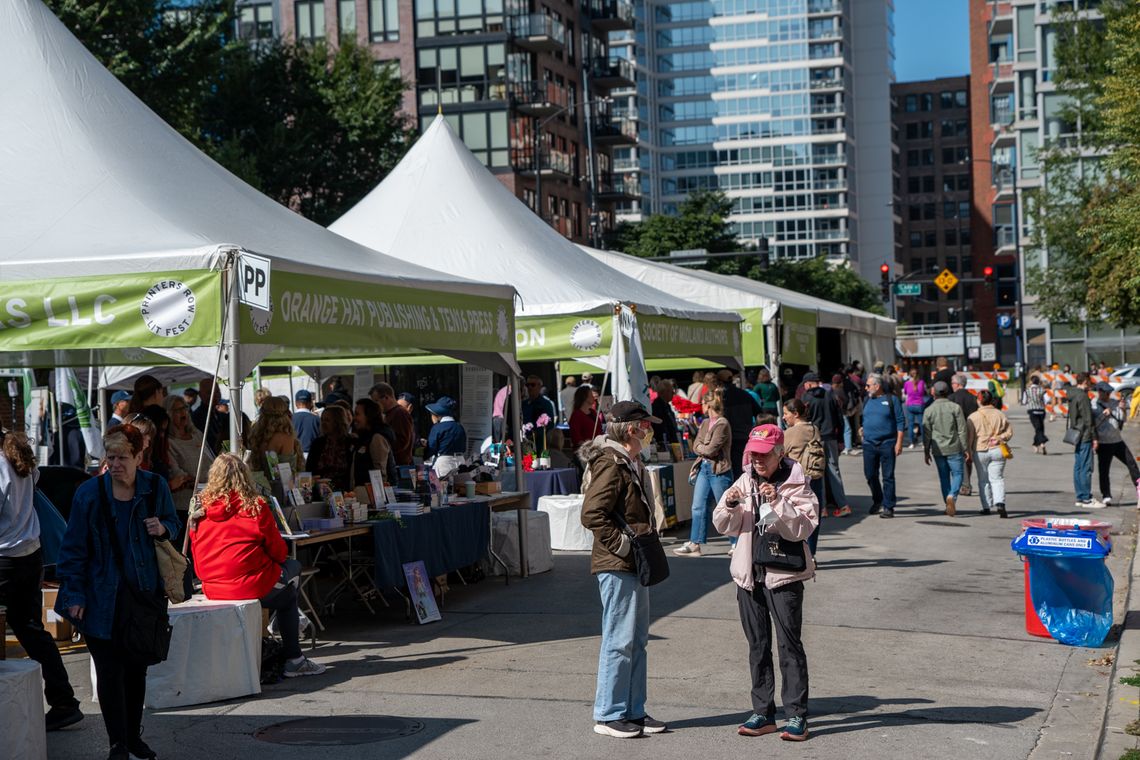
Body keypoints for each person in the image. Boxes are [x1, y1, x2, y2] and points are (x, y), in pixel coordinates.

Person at [55, 424, 181, 760]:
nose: (115, 464)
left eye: (123, 457)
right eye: (110, 457)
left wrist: (164, 526)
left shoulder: (155, 487)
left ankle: (132, 736)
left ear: (140, 456)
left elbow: (175, 522)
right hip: (101, 597)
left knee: (136, 669)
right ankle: (118, 744)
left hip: (142, 596)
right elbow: (73, 550)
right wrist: (75, 596)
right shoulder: (89, 493)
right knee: (110, 673)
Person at [712, 424, 817, 742]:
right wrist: (729, 504)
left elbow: (803, 529)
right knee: (757, 647)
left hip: (784, 576)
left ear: (779, 453)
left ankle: (796, 715)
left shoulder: (796, 483)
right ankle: (763, 711)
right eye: (753, 454)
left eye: (763, 454)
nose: (757, 460)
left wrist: (778, 503)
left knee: (789, 647)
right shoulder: (745, 480)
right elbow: (722, 525)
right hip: (748, 576)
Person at [190, 454, 325, 678]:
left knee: (286, 582)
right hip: (249, 585)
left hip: (212, 586)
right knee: (291, 581)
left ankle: (280, 632)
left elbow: (197, 553)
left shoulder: (200, 511)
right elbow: (279, 552)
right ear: (245, 476)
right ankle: (294, 657)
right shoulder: (255, 507)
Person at [578, 401, 667, 739]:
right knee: (620, 639)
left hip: (631, 561)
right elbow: (592, 514)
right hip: (618, 563)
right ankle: (609, 713)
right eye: (646, 425)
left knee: (636, 639)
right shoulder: (611, 463)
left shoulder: (627, 461)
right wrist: (622, 545)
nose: (649, 430)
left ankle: (633, 710)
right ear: (632, 429)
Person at [0, 430, 83, 732]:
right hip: (28, 554)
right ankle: (64, 700)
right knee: (31, 628)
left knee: (29, 627)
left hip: (6, 557)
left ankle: (63, 701)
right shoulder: (15, 454)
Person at [675, 390, 733, 556]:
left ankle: (736, 541)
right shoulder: (706, 422)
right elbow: (697, 446)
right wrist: (702, 449)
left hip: (719, 469)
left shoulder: (722, 424)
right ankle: (695, 543)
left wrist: (701, 449)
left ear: (707, 405)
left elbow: (711, 449)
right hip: (704, 467)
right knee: (698, 506)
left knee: (726, 507)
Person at [801, 372, 851, 516]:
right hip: (831, 438)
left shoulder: (805, 397)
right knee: (834, 470)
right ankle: (843, 506)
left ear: (809, 384)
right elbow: (839, 418)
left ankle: (821, 508)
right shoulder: (830, 395)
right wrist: (841, 439)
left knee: (817, 472)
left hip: (814, 439)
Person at [782, 398, 828, 551]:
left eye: (786, 414)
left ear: (795, 414)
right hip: (815, 478)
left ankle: (799, 553)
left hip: (796, 481)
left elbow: (779, 454)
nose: (783, 417)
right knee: (812, 517)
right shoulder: (814, 429)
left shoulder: (791, 432)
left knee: (794, 518)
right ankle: (811, 553)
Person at [860, 374, 905, 518]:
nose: (866, 388)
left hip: (887, 444)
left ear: (877, 386)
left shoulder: (892, 400)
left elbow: (900, 422)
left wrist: (899, 443)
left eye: (868, 385)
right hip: (868, 444)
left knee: (888, 476)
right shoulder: (867, 399)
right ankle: (877, 499)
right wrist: (862, 429)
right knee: (870, 475)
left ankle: (888, 506)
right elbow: (866, 418)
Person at [922, 381, 968, 517]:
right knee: (958, 474)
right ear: (948, 392)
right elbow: (962, 430)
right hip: (954, 447)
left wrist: (926, 451)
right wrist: (965, 448)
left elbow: (926, 434)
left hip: (938, 449)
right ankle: (952, 497)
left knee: (944, 477)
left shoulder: (928, 410)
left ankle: (947, 503)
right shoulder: (955, 408)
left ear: (933, 393)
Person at [1091, 381, 1140, 506]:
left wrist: (1123, 410)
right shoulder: (1093, 405)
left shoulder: (1114, 403)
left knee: (1132, 464)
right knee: (1104, 470)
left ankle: (1139, 490)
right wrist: (1103, 415)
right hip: (1104, 442)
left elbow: (1122, 420)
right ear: (1100, 392)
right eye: (1105, 393)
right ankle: (1106, 495)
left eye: (1109, 393)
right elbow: (1092, 425)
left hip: (1118, 440)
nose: (1107, 395)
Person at [162, 395, 213, 513]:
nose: (183, 412)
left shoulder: (197, 435)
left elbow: (211, 458)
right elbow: (178, 475)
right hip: (185, 506)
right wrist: (201, 485)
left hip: (208, 500)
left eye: (184, 408)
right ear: (169, 414)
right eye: (177, 410)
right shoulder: (169, 442)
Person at [968, 390, 1014, 517]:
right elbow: (1009, 433)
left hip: (980, 450)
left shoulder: (973, 417)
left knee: (983, 480)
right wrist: (999, 438)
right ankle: (1000, 503)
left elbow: (970, 437)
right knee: (997, 478)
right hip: (998, 449)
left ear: (978, 401)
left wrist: (968, 452)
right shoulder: (1000, 414)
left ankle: (986, 506)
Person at [247, 397, 304, 485]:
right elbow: (288, 473)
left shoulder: (256, 436)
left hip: (258, 486)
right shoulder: (285, 437)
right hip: (280, 491)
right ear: (285, 413)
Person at [1067, 373, 1101, 509]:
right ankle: (1086, 498)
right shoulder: (1083, 396)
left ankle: (1080, 496)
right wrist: (1095, 437)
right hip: (1085, 434)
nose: (1091, 385)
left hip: (1076, 433)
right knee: (1086, 467)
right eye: (1090, 382)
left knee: (1078, 466)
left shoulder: (1072, 394)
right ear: (1085, 381)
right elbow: (1088, 420)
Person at [718, 370, 761, 479]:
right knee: (748, 467)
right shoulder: (745, 394)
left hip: (732, 438)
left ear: (719, 382)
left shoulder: (723, 398)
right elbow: (759, 412)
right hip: (746, 435)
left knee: (738, 470)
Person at [305, 405, 355, 491]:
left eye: (327, 420)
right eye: (322, 420)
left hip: (345, 491)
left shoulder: (351, 442)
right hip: (320, 490)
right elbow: (309, 469)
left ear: (338, 422)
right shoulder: (318, 443)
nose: (323, 423)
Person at [353, 398, 398, 486]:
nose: (354, 418)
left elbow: (380, 474)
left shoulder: (377, 438)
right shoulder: (364, 437)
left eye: (357, 414)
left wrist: (378, 496)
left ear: (369, 416)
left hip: (374, 495)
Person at [369, 382, 415, 466]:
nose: (375, 405)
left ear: (386, 397)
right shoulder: (390, 414)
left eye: (376, 401)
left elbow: (402, 442)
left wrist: (383, 448)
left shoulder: (400, 413)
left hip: (399, 467)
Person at [949, 373, 980, 496]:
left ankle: (965, 485)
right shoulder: (973, 398)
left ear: (957, 384)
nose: (951, 385)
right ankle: (966, 483)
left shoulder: (951, 398)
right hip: (971, 429)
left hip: (956, 431)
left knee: (959, 458)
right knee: (968, 458)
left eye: (952, 383)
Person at [424, 396, 467, 478]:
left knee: (444, 487)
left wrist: (423, 455)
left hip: (444, 462)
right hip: (461, 461)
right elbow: (463, 447)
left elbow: (431, 448)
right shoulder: (459, 427)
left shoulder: (437, 428)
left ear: (437, 414)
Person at [49, 403, 87, 468]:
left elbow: (51, 456)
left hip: (59, 471)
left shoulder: (55, 435)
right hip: (77, 472)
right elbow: (84, 454)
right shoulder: (79, 434)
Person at [569, 384, 605, 451]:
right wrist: (591, 447)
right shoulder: (576, 415)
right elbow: (576, 439)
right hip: (585, 453)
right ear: (585, 397)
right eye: (591, 395)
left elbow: (599, 431)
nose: (593, 397)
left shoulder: (593, 412)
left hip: (598, 450)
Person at [650, 379, 679, 447]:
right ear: (663, 392)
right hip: (665, 443)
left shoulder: (666, 405)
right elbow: (660, 427)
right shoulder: (657, 406)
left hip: (669, 442)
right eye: (671, 391)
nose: (673, 393)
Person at [903, 367, 927, 449]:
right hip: (920, 405)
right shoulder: (922, 382)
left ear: (910, 375)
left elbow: (906, 392)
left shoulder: (907, 383)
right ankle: (924, 443)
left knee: (910, 425)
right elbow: (923, 392)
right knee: (922, 424)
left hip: (910, 405)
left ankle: (912, 443)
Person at [291, 389, 321, 455]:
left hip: (295, 455)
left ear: (296, 403)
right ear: (310, 403)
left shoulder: (289, 419)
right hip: (313, 455)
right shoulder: (317, 419)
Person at [1026, 375, 1049, 455]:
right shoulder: (1042, 390)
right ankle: (1036, 445)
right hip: (1041, 410)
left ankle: (1042, 442)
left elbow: (1024, 400)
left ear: (1031, 381)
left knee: (1037, 428)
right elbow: (1047, 399)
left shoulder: (1027, 390)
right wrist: (1041, 402)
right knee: (1040, 428)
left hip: (1032, 410)